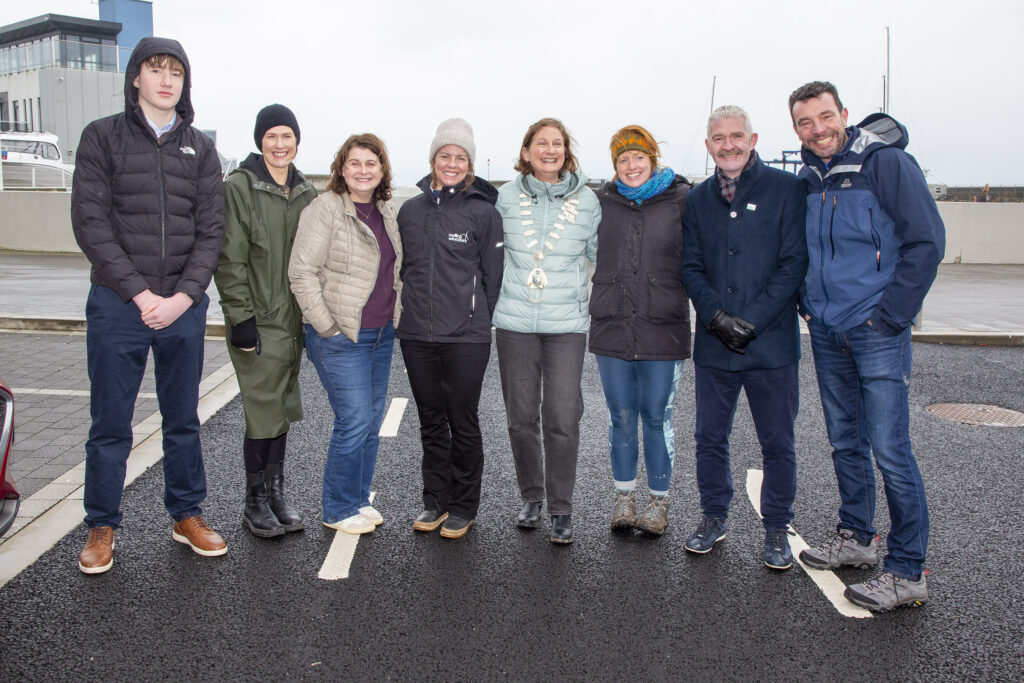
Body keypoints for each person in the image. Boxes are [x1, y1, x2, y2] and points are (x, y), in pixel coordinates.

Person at [71, 37, 225, 574]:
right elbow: (90, 223)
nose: (166, 80)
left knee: (182, 419)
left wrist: (183, 297)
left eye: (175, 73)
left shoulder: (200, 149)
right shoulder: (102, 137)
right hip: (119, 305)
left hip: (182, 307)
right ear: (135, 77)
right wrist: (140, 294)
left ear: (185, 83)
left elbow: (211, 232)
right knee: (111, 422)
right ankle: (101, 524)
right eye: (155, 70)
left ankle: (186, 514)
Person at [789, 81, 945, 610]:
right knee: (845, 442)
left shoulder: (886, 164)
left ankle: (906, 570)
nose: (818, 130)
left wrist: (891, 316)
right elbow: (803, 248)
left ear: (844, 114)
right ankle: (856, 538)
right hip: (827, 327)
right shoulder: (809, 178)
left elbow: (927, 241)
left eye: (825, 117)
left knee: (891, 451)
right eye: (806, 123)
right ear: (796, 129)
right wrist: (806, 303)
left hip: (875, 328)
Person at [679, 106, 808, 569]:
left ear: (752, 140)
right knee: (710, 438)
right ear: (709, 145)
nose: (728, 144)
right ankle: (714, 517)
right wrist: (716, 317)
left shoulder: (787, 189)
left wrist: (749, 321)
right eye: (719, 138)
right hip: (715, 346)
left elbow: (793, 263)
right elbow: (690, 265)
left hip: (771, 345)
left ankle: (777, 526)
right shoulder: (697, 199)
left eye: (737, 136)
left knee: (778, 442)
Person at [492, 118, 600, 544]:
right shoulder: (504, 197)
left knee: (562, 416)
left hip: (566, 326)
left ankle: (561, 507)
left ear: (566, 152)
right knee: (521, 417)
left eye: (558, 143)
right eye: (541, 143)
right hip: (515, 322)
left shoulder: (588, 201)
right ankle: (532, 497)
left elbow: (600, 257)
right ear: (526, 152)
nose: (550, 150)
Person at [288, 134, 402, 535]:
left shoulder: (386, 211)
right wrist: (326, 326)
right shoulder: (324, 209)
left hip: (380, 334)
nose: (363, 171)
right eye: (355, 163)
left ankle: (357, 498)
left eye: (371, 163)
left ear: (382, 169)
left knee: (370, 422)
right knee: (353, 421)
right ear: (341, 168)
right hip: (341, 336)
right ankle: (337, 508)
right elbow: (301, 272)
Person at [397, 118, 503, 540]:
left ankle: (463, 506)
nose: (452, 163)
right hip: (417, 336)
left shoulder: (484, 212)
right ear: (433, 160)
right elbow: (403, 269)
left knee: (463, 420)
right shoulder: (410, 211)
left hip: (465, 338)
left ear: (470, 163)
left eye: (460, 157)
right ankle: (435, 500)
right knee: (430, 421)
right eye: (445, 155)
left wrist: (476, 319)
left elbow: (492, 278)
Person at [215, 104, 316, 538]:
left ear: (297, 141)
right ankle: (253, 500)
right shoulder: (239, 188)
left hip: (292, 323)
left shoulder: (305, 191)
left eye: (286, 136)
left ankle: (275, 493)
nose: (279, 144)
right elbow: (230, 258)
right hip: (258, 321)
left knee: (280, 409)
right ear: (260, 140)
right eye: (271, 135)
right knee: (262, 412)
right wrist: (240, 318)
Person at [590, 125, 691, 536]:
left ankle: (658, 503)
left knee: (656, 416)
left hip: (662, 326)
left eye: (638, 157)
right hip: (612, 324)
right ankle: (624, 499)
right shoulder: (602, 202)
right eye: (622, 159)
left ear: (653, 158)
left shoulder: (682, 199)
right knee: (620, 416)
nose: (631, 166)